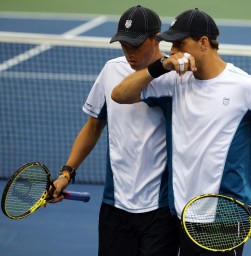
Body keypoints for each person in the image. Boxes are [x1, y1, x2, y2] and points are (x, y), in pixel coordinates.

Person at [112, 8, 251, 256]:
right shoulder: (173, 82)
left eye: (179, 44)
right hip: (181, 215)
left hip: (223, 218)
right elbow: (120, 95)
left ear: (203, 43)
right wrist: (161, 65)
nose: (174, 52)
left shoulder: (247, 87)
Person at [50, 5, 179, 256]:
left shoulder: (176, 78)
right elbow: (93, 126)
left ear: (156, 39)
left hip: (161, 209)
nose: (128, 52)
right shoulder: (112, 70)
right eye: (124, 45)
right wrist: (66, 173)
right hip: (115, 205)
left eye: (136, 45)